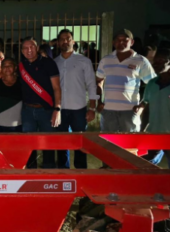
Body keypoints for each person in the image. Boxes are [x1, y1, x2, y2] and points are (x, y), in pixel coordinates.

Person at [53, 29, 98, 169]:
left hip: (78, 109)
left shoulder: (84, 61)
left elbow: (91, 85)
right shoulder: (54, 63)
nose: (65, 41)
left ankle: (81, 172)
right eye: (61, 39)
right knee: (61, 144)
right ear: (58, 43)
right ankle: (63, 172)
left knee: (80, 144)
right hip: (60, 109)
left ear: (73, 41)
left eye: (68, 38)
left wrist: (92, 108)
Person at [95, 29, 154, 134]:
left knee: (129, 144)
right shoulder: (106, 60)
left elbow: (153, 84)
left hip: (130, 111)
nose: (121, 42)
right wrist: (99, 102)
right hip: (108, 111)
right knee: (108, 143)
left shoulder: (141, 61)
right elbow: (99, 81)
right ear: (113, 43)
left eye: (125, 40)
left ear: (131, 42)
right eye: (117, 40)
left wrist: (142, 105)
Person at [16, 37, 61, 168]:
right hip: (27, 111)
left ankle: (49, 174)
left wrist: (57, 109)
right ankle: (30, 173)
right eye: (25, 48)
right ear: (21, 50)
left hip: (46, 110)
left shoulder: (49, 63)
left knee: (48, 145)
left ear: (36, 48)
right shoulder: (21, 66)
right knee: (29, 146)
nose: (28, 50)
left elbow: (57, 88)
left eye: (31, 47)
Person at [0, 59, 23, 134]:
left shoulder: (21, 83)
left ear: (15, 67)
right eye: (4, 66)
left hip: (16, 125)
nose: (7, 68)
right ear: (1, 68)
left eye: (10, 65)